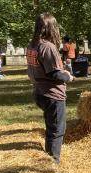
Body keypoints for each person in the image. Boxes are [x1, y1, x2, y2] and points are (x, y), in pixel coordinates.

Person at [26, 13, 74, 164]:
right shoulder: (48, 46)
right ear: (51, 28)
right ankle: (51, 164)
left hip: (39, 92)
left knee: (50, 127)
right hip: (52, 95)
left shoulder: (32, 45)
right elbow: (54, 74)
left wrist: (60, 69)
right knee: (57, 130)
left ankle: (48, 157)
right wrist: (68, 77)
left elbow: (44, 67)